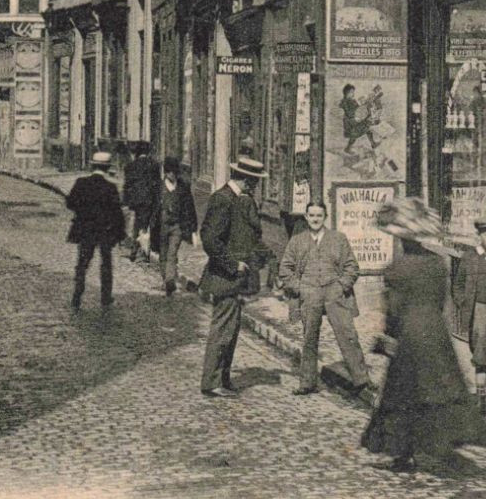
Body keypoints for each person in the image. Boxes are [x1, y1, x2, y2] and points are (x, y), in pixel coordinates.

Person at [359, 197, 483, 473]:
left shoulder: (395, 270)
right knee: (435, 389)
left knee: (402, 394)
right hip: (435, 333)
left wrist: (388, 337)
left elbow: (393, 311)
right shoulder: (438, 264)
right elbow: (441, 301)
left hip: (410, 336)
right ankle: (435, 445)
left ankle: (403, 453)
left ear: (400, 240)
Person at [276, 200, 368, 397]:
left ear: (325, 217)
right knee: (309, 338)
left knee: (348, 335)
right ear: (306, 217)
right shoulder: (297, 241)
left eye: (319, 215)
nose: (315, 219)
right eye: (312, 215)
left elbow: (352, 267)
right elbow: (285, 269)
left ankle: (362, 379)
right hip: (309, 293)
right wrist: (300, 288)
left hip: (334, 292)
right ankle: (307, 382)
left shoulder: (338, 239)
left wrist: (341, 286)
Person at [199, 156, 271, 398]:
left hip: (233, 278)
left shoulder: (238, 200)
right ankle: (211, 382)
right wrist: (233, 265)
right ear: (245, 179)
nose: (256, 186)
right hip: (224, 277)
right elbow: (209, 239)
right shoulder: (223, 199)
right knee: (222, 329)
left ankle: (223, 378)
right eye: (254, 181)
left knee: (231, 330)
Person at [450, 215, 486, 435]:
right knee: (481, 358)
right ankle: (482, 406)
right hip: (478, 312)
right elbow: (458, 285)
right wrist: (465, 305)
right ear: (480, 236)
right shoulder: (470, 258)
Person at [66, 151, 126, 309]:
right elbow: (117, 213)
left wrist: (82, 212)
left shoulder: (81, 183)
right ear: (107, 168)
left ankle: (77, 295)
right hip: (104, 231)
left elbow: (70, 203)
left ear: (92, 166)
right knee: (106, 264)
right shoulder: (110, 187)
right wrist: (119, 234)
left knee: (82, 263)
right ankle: (105, 298)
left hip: (85, 230)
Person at [155, 157, 198, 296]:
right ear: (166, 173)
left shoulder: (183, 187)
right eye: (170, 172)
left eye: (175, 172)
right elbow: (151, 208)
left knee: (172, 253)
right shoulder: (158, 187)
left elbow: (190, 208)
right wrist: (146, 227)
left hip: (177, 226)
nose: (173, 175)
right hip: (161, 226)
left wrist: (193, 229)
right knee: (163, 253)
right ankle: (166, 278)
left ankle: (169, 280)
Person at [122, 141, 161, 262]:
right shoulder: (154, 165)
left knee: (138, 225)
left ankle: (136, 251)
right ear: (148, 152)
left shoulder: (130, 166)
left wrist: (126, 202)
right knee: (149, 225)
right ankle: (144, 251)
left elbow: (127, 185)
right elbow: (157, 183)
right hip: (151, 199)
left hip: (137, 201)